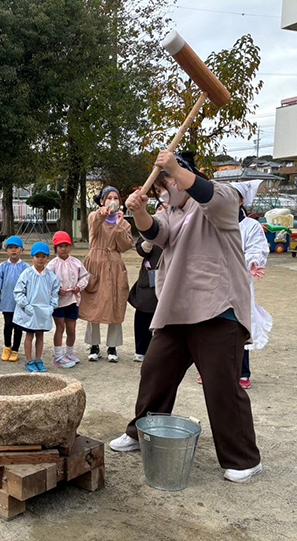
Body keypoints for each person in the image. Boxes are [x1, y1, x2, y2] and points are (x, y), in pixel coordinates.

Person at [110, 150, 262, 483]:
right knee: (155, 372)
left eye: (167, 183)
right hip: (177, 310)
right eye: (159, 188)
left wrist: (175, 169)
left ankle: (244, 458)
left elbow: (208, 195)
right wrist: (139, 212)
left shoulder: (219, 200)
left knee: (221, 385)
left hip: (218, 309)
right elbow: (155, 234)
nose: (164, 191)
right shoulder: (173, 213)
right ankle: (141, 433)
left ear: (184, 175)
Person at [79, 186, 133, 362]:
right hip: (95, 263)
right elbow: (95, 222)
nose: (113, 201)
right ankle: (94, 345)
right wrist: (102, 213)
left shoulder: (124, 223)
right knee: (94, 304)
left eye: (116, 198)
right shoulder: (95, 216)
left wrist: (118, 226)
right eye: (109, 197)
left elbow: (125, 246)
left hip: (115, 266)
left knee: (115, 304)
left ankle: (112, 347)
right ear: (102, 200)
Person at [228, 180, 272, 389]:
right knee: (214, 326)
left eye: (233, 196)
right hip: (215, 282)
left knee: (240, 324)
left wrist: (252, 262)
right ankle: (211, 370)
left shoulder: (251, 226)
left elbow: (257, 249)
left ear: (241, 200)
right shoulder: (215, 222)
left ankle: (243, 371)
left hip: (240, 283)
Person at [127, 203, 166, 363]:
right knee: (144, 311)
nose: (163, 211)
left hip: (169, 277)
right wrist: (151, 238)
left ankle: (161, 351)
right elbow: (141, 250)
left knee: (166, 316)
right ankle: (141, 349)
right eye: (160, 208)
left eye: (167, 208)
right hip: (149, 278)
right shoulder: (148, 226)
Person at [13, 242, 60, 372]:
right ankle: (29, 360)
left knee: (40, 335)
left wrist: (52, 306)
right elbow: (18, 292)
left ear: (47, 258)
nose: (40, 259)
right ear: (32, 257)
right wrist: (25, 305)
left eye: (43, 256)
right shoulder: (26, 274)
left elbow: (55, 292)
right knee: (29, 335)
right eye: (37, 256)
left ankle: (38, 359)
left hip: (44, 311)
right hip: (30, 310)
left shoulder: (51, 276)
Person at [48, 231, 90, 369]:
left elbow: (85, 276)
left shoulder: (76, 263)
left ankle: (69, 353)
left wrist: (79, 286)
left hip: (73, 300)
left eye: (66, 245)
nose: (63, 249)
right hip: (59, 302)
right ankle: (58, 355)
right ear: (55, 248)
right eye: (60, 246)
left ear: (70, 247)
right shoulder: (52, 265)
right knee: (60, 327)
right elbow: (47, 281)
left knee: (71, 328)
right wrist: (57, 289)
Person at [0, 236, 29, 362]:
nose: (13, 251)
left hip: (20, 303)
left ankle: (16, 349)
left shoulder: (26, 267)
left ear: (22, 250)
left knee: (18, 326)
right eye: (10, 248)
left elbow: (29, 285)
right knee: (8, 325)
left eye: (16, 248)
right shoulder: (3, 266)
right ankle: (7, 346)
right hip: (7, 301)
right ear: (6, 251)